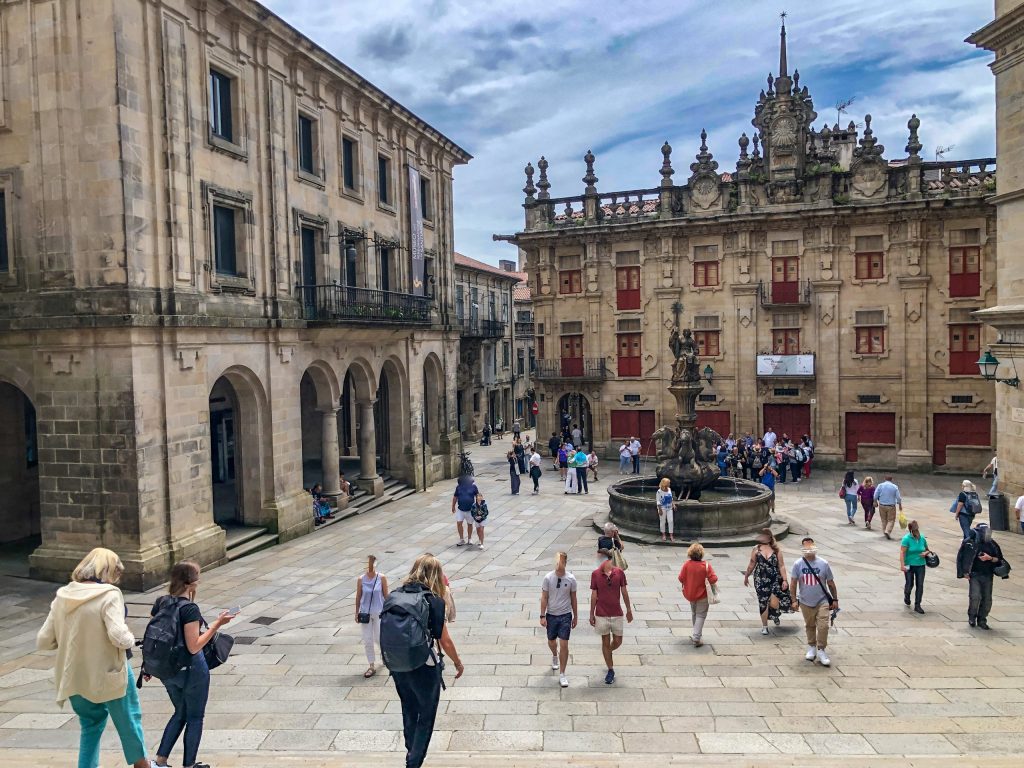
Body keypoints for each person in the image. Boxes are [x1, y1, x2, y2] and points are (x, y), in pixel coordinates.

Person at [36, 548, 157, 768]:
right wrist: (132, 639)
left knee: (90, 724)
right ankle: (143, 766)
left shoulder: (63, 595)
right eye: (116, 574)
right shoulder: (109, 594)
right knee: (129, 719)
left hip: (75, 674)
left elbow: (44, 640)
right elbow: (119, 636)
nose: (116, 580)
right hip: (111, 670)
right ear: (108, 571)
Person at [152, 561, 235, 768]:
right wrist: (217, 624)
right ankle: (189, 765)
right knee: (195, 716)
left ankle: (160, 761)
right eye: (197, 577)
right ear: (190, 584)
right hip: (191, 669)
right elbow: (194, 645)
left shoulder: (161, 602)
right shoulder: (189, 609)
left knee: (180, 712)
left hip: (166, 669)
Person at [388, 554, 464, 768]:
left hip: (397, 663)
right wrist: (458, 662)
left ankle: (411, 751)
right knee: (426, 714)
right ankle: (413, 761)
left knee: (409, 708)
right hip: (424, 666)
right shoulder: (434, 601)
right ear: (436, 576)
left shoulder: (395, 595)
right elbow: (445, 640)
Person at [790, 537, 838, 667]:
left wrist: (835, 599)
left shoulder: (823, 564)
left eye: (811, 547)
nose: (809, 550)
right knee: (810, 625)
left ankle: (821, 649)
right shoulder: (798, 564)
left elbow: (831, 583)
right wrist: (793, 600)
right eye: (806, 547)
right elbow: (793, 583)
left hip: (822, 600)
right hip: (805, 600)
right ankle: (812, 646)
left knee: (823, 625)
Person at [590, 554, 633, 684]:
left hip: (616, 613)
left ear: (608, 560)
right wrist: (591, 614)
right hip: (601, 613)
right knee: (605, 641)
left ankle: (607, 652)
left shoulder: (619, 573)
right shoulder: (595, 574)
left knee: (618, 641)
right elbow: (593, 595)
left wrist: (629, 610)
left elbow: (624, 592)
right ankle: (610, 670)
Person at [743, 528, 792, 635]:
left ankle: (774, 614)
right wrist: (746, 576)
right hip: (760, 579)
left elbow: (781, 565)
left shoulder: (776, 549)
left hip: (775, 578)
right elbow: (752, 564)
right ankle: (765, 626)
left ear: (769, 537)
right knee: (763, 602)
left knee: (774, 603)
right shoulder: (756, 549)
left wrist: (784, 580)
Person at [957, 523, 1006, 629]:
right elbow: (961, 557)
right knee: (975, 597)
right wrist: (964, 572)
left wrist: (990, 558)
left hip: (988, 575)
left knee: (987, 599)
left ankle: (982, 619)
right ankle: (972, 617)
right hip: (974, 575)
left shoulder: (993, 544)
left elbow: (1000, 559)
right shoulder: (970, 543)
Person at [540, 552, 578, 688]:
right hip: (551, 614)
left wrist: (575, 616)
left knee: (564, 644)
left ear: (565, 563)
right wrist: (542, 615)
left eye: (561, 561)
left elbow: (574, 598)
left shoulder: (571, 579)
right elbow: (544, 597)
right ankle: (554, 655)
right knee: (551, 641)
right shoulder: (548, 578)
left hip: (565, 615)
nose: (559, 563)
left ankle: (562, 674)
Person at [356, 555, 390, 677]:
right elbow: (358, 597)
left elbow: (386, 595)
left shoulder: (381, 578)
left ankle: (384, 656)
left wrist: (390, 610)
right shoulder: (361, 579)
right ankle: (371, 665)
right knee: (368, 639)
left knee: (379, 638)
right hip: (365, 613)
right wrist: (356, 612)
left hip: (379, 612)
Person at [678, 543, 717, 647]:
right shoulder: (706, 566)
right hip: (703, 595)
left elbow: (680, 578)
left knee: (694, 613)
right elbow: (714, 579)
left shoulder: (687, 564)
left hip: (690, 594)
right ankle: (696, 637)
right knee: (701, 615)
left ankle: (696, 633)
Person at [899, 521, 932, 615]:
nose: (917, 531)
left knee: (920, 584)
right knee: (909, 584)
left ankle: (918, 605)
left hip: (921, 564)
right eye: (914, 530)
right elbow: (902, 552)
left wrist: (925, 553)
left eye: (917, 529)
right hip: (909, 564)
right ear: (911, 530)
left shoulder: (922, 538)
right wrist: (902, 565)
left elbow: (927, 550)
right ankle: (907, 595)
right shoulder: (906, 539)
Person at [451, 475, 481, 546]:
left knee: (470, 524)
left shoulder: (473, 487)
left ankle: (469, 539)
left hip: (470, 510)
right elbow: (455, 497)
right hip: (460, 509)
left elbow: (477, 496)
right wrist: (453, 506)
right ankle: (461, 539)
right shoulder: (458, 487)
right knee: (459, 523)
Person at [874, 475, 903, 539]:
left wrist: (875, 501)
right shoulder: (895, 487)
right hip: (891, 506)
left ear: (885, 479)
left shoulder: (880, 485)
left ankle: (884, 531)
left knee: (883, 520)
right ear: (891, 479)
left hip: (882, 505)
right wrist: (900, 504)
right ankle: (887, 531)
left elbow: (875, 494)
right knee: (891, 520)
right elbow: (898, 497)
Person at [656, 477, 675, 543]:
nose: (670, 484)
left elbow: (671, 498)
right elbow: (658, 501)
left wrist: (673, 504)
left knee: (670, 521)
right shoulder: (659, 491)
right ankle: (663, 534)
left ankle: (671, 535)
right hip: (662, 508)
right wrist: (660, 510)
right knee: (662, 521)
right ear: (665, 484)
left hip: (669, 508)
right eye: (668, 483)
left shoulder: (669, 489)